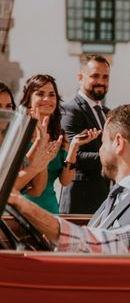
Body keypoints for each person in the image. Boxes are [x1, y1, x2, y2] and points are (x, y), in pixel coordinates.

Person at [18, 74, 99, 214]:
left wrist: (74, 146)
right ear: (29, 99)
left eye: (52, 95)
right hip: (21, 209)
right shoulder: (19, 134)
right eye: (40, 94)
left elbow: (66, 181)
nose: (47, 99)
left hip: (50, 210)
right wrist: (41, 142)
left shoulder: (60, 135)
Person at [59, 54, 112, 214]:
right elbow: (74, 155)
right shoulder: (70, 110)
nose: (101, 82)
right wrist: (112, 156)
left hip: (104, 199)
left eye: (105, 77)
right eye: (95, 76)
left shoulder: (107, 113)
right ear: (81, 77)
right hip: (79, 201)